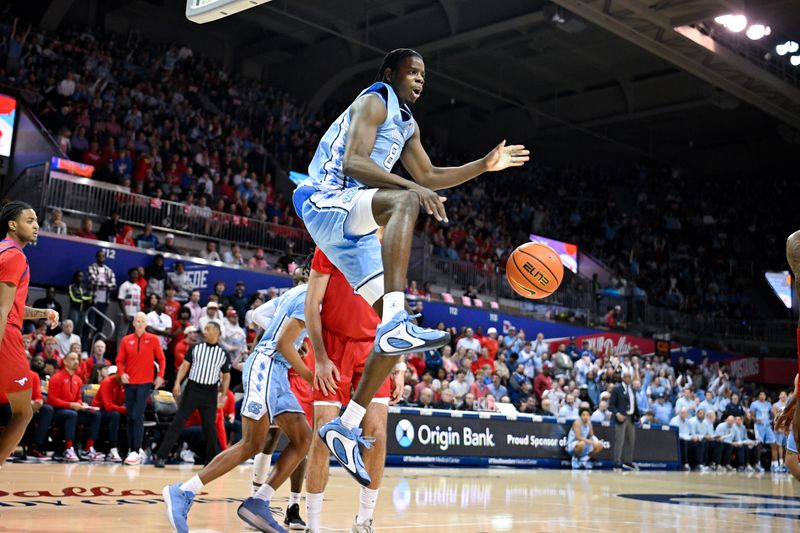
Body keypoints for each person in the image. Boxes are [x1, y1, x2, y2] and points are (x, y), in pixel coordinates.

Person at [293, 48, 528, 481]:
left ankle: (345, 428)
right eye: (412, 71)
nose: (420, 79)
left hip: (355, 221)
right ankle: (397, 317)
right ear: (390, 74)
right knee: (404, 201)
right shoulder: (375, 99)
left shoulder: (407, 124)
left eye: (424, 74)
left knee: (392, 336)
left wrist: (483, 165)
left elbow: (431, 175)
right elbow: (354, 163)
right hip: (324, 198)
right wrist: (410, 189)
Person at [162, 270, 313, 533]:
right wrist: (309, 372)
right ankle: (184, 491)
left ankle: (259, 501)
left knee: (303, 439)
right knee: (253, 442)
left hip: (277, 371)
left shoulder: (294, 293)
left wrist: (291, 338)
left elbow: (256, 316)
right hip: (267, 366)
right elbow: (280, 343)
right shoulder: (310, 296)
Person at [303, 247, 400, 533]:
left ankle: (364, 520)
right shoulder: (330, 241)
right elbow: (311, 303)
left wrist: (401, 365)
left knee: (378, 433)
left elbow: (396, 313)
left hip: (373, 348)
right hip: (331, 346)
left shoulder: (390, 251)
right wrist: (320, 358)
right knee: (323, 433)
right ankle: (313, 525)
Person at [0, 201, 59, 467]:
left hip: (8, 327)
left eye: (36, 221)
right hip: (6, 338)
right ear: (12, 224)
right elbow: (2, 309)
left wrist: (43, 313)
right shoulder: (15, 256)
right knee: (23, 413)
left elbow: (12, 306)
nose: (36, 226)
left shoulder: (3, 252)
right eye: (29, 220)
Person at [154, 321, 231, 468]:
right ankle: (161, 456)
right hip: (192, 389)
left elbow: (226, 376)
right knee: (178, 422)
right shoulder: (196, 348)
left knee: (209, 426)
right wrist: (177, 383)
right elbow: (185, 366)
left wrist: (223, 395)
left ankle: (211, 460)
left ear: (217, 332)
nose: (205, 332)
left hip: (210, 392)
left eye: (208, 329)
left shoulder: (223, 353)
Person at [116, 312, 166, 465]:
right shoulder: (126, 340)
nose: (139, 323)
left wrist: (160, 376)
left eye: (142, 321)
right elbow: (119, 360)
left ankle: (135, 450)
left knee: (137, 415)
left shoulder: (153, 339)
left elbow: (161, 358)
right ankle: (132, 449)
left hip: (145, 383)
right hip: (129, 383)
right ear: (133, 323)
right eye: (137, 321)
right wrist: (122, 373)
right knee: (130, 416)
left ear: (146, 324)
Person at [47, 351, 104, 461]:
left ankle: (88, 449)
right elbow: (51, 400)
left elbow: (78, 397)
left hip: (74, 410)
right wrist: (70, 405)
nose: (76, 361)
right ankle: (68, 449)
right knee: (72, 414)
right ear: (65, 361)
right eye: (72, 359)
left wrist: (80, 403)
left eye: (77, 359)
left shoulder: (78, 379)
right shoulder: (57, 377)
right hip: (58, 411)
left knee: (96, 415)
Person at [92, 364, 125, 462]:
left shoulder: (125, 384)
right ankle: (113, 449)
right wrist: (124, 409)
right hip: (99, 412)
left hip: (114, 410)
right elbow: (108, 406)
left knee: (133, 416)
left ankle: (133, 449)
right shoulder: (107, 382)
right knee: (115, 415)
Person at [609, 372, 639, 470]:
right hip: (621, 418)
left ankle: (628, 462)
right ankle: (617, 462)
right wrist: (617, 414)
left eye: (630, 377)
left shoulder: (632, 390)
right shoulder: (617, 389)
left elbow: (635, 404)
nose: (628, 378)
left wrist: (638, 417)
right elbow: (611, 405)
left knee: (631, 440)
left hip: (631, 418)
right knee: (620, 441)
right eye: (626, 377)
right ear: (622, 378)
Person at [750, 390, 778, 472]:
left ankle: (775, 465)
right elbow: (751, 416)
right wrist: (756, 420)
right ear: (758, 396)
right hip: (759, 426)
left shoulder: (768, 404)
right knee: (759, 444)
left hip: (767, 426)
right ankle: (757, 464)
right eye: (761, 394)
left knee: (774, 443)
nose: (762, 396)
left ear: (766, 396)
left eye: (764, 395)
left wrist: (774, 418)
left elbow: (772, 414)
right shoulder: (754, 404)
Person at [88, 249, 116, 320]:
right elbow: (94, 282)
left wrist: (101, 283)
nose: (101, 257)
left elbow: (113, 285)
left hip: (104, 301)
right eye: (99, 256)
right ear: (96, 257)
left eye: (103, 256)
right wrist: (106, 284)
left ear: (105, 257)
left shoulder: (109, 270)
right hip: (94, 300)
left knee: (100, 323)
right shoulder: (92, 268)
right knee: (90, 320)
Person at [118, 268, 143, 336]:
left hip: (135, 315)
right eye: (133, 274)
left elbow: (138, 303)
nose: (135, 276)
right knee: (122, 334)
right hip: (126, 314)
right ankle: (120, 347)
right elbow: (121, 300)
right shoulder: (124, 285)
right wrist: (125, 314)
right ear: (129, 275)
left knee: (133, 335)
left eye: (137, 274)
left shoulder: (138, 287)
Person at [68, 271, 92, 338]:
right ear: (75, 277)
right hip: (74, 310)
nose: (80, 278)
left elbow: (89, 298)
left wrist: (82, 298)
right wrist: (84, 299)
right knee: (72, 327)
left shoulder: (84, 287)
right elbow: (74, 298)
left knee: (79, 328)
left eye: (82, 276)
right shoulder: (72, 286)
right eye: (79, 276)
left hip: (83, 311)